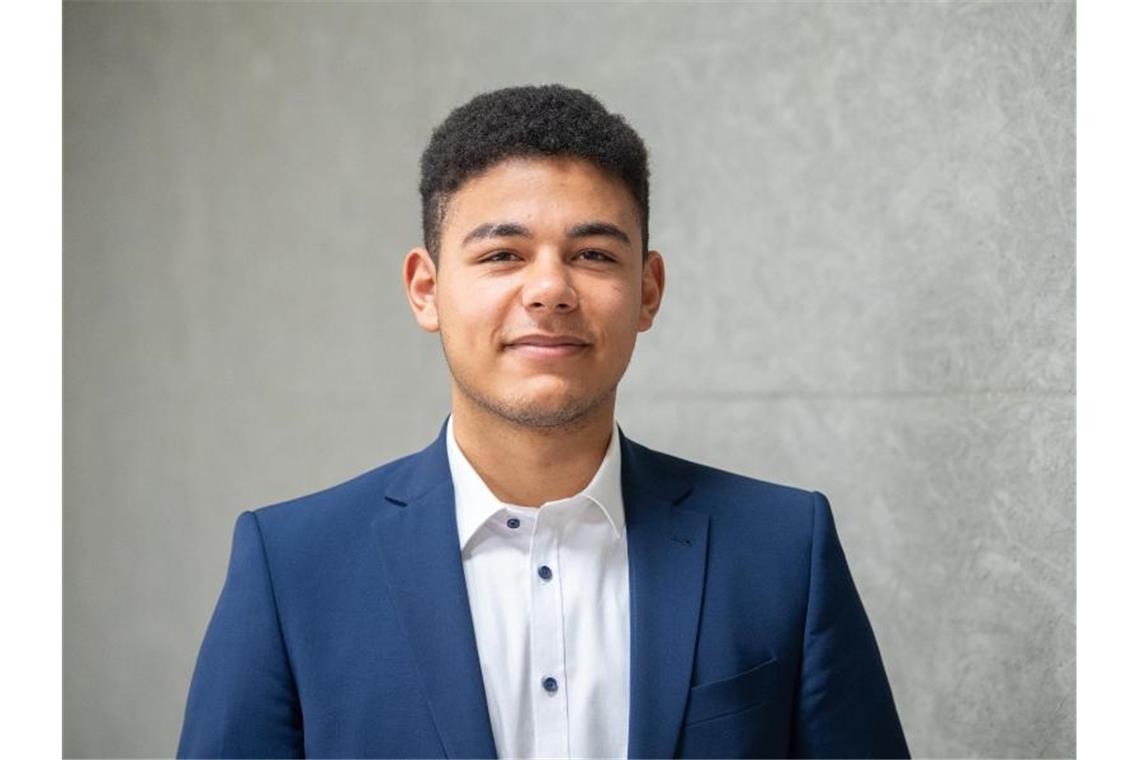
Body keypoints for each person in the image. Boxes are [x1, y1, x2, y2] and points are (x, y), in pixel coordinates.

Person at [177, 84, 909, 759]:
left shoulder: (782, 549)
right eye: (502, 254)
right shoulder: (293, 568)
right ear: (426, 290)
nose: (550, 288)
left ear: (647, 291)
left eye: (592, 254)